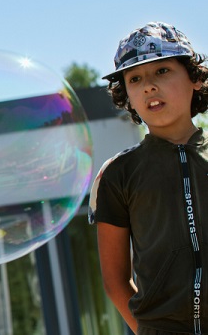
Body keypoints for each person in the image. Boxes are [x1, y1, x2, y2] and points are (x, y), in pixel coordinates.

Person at [90, 21, 208, 334]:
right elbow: (115, 281)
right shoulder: (116, 174)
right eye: (135, 78)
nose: (149, 86)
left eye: (162, 71)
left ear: (195, 78)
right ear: (125, 94)